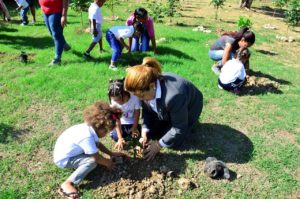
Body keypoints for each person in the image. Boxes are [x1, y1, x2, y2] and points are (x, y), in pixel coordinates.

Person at [124, 57, 203, 161]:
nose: (140, 99)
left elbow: (179, 127)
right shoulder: (145, 88)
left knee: (173, 143)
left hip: (191, 107)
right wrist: (144, 134)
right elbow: (147, 112)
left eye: (141, 96)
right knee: (154, 132)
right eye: (136, 96)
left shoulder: (174, 96)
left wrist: (158, 145)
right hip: (169, 105)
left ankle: (184, 121)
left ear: (152, 86)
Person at [53, 101, 126, 198]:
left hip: (70, 153)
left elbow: (98, 144)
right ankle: (67, 184)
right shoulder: (86, 136)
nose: (106, 134)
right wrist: (108, 163)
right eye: (106, 131)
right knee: (91, 162)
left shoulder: (90, 128)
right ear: (101, 128)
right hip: (64, 159)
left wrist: (111, 153)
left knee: (93, 157)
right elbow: (97, 158)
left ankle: (79, 166)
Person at [108, 78, 141, 151]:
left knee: (138, 133)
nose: (116, 102)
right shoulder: (113, 102)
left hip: (132, 123)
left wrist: (134, 127)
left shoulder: (135, 98)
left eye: (118, 99)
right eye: (114, 100)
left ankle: (131, 134)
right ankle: (122, 137)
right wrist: (120, 138)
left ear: (124, 93)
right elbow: (116, 120)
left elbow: (137, 113)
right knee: (115, 136)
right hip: (120, 124)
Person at [39, 0, 71, 66]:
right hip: (45, 12)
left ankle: (57, 59)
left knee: (56, 35)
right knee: (52, 33)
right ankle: (64, 45)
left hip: (56, 12)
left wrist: (64, 15)